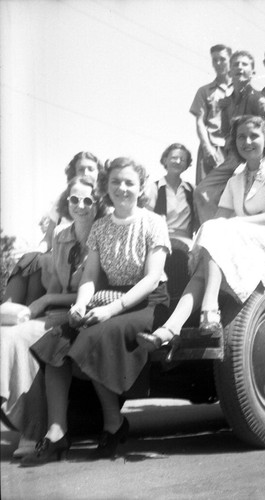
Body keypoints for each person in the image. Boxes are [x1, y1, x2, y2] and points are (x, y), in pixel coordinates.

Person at [22, 158, 171, 466]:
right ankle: (56, 433)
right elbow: (89, 276)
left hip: (147, 302)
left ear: (141, 187)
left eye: (129, 182)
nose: (122, 188)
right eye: (115, 182)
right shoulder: (101, 227)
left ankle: (113, 424)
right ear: (106, 186)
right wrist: (79, 305)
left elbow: (151, 278)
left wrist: (111, 310)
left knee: (96, 335)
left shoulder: (153, 222)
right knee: (58, 338)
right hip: (106, 299)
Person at [137, 115, 265, 352]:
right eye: (241, 137)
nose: (247, 141)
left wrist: (229, 225)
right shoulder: (236, 178)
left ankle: (209, 307)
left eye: (254, 135)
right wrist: (211, 236)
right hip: (243, 236)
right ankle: (172, 327)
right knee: (206, 258)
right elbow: (219, 220)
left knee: (215, 235)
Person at [1, 176, 104, 458]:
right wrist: (41, 307)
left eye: (87, 200)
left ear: (97, 203)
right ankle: (31, 425)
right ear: (66, 202)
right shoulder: (61, 235)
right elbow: (57, 286)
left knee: (22, 337)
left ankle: (33, 430)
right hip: (59, 311)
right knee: (9, 335)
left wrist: (46, 301)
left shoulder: (104, 232)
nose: (80, 206)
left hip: (87, 311)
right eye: (74, 200)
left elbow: (98, 291)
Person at [193, 50, 265, 224]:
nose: (240, 68)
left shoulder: (256, 97)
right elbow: (228, 132)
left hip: (257, 157)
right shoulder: (228, 103)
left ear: (253, 72)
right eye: (236, 64)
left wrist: (263, 145)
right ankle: (214, 235)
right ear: (229, 72)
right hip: (235, 158)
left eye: (245, 64)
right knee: (202, 191)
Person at [4, 152, 103, 305]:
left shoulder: (102, 203)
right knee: (31, 260)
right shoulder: (64, 200)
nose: (86, 173)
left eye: (91, 169)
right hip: (59, 251)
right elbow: (49, 236)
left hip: (82, 258)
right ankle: (9, 309)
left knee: (40, 266)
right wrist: (37, 251)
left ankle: (30, 309)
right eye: (81, 169)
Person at [190, 44, 232, 185]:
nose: (218, 63)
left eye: (222, 59)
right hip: (212, 147)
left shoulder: (242, 90)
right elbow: (200, 121)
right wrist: (207, 147)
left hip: (235, 150)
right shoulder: (204, 91)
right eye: (215, 60)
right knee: (205, 195)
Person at [147, 143, 195, 240]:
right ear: (165, 160)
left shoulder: (192, 190)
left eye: (182, 159)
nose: (178, 162)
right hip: (159, 240)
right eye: (174, 158)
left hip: (185, 242)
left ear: (187, 164)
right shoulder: (153, 188)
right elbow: (147, 220)